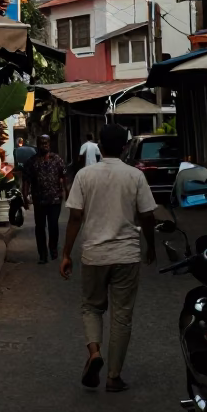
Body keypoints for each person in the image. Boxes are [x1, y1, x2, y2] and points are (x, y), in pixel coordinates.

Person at [60, 122, 157, 393]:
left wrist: (66, 253)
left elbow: (75, 217)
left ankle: (94, 353)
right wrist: (151, 246)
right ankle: (114, 377)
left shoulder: (85, 176)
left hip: (94, 254)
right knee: (122, 316)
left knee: (91, 307)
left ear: (100, 146)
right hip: (126, 255)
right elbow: (148, 215)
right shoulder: (135, 176)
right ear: (125, 147)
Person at [22, 134, 69, 264]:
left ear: (50, 144)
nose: (45, 145)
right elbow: (26, 181)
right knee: (40, 227)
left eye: (46, 143)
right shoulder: (31, 162)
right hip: (39, 200)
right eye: (42, 143)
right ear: (38, 145)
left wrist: (67, 192)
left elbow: (64, 176)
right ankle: (42, 254)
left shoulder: (57, 159)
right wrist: (25, 196)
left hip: (55, 199)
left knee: (53, 225)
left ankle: (53, 249)